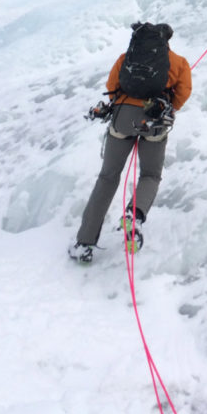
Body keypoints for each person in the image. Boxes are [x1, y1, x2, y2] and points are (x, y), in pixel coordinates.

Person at [69, 23, 192, 263]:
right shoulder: (178, 62)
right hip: (154, 120)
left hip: (122, 118)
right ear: (166, 41)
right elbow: (183, 92)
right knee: (150, 175)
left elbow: (112, 87)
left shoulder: (126, 58)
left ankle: (84, 243)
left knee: (108, 177)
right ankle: (133, 216)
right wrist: (168, 109)